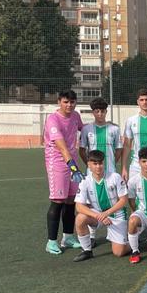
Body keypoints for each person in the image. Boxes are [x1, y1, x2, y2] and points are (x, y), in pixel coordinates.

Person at [44, 90, 85, 255]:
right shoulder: (52, 120)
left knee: (71, 200)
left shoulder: (75, 116)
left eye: (72, 102)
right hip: (58, 163)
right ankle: (51, 242)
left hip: (72, 162)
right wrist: (74, 168)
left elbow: (85, 128)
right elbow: (61, 146)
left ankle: (68, 237)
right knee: (58, 201)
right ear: (59, 102)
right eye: (66, 102)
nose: (69, 105)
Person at [71, 149, 130, 261]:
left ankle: (132, 241)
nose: (98, 166)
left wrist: (107, 213)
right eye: (95, 164)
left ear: (104, 163)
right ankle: (87, 250)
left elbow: (123, 200)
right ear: (89, 165)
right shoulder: (85, 181)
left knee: (119, 252)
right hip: (98, 215)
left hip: (116, 215)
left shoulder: (115, 177)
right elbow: (79, 206)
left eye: (100, 163)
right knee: (80, 218)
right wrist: (99, 216)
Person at [79, 98, 122, 175]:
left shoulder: (115, 129)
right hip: (91, 172)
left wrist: (112, 162)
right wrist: (89, 164)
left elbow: (118, 149)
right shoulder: (86, 129)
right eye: (97, 111)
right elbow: (82, 150)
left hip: (110, 170)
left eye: (102, 111)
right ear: (93, 112)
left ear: (106, 112)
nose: (100, 114)